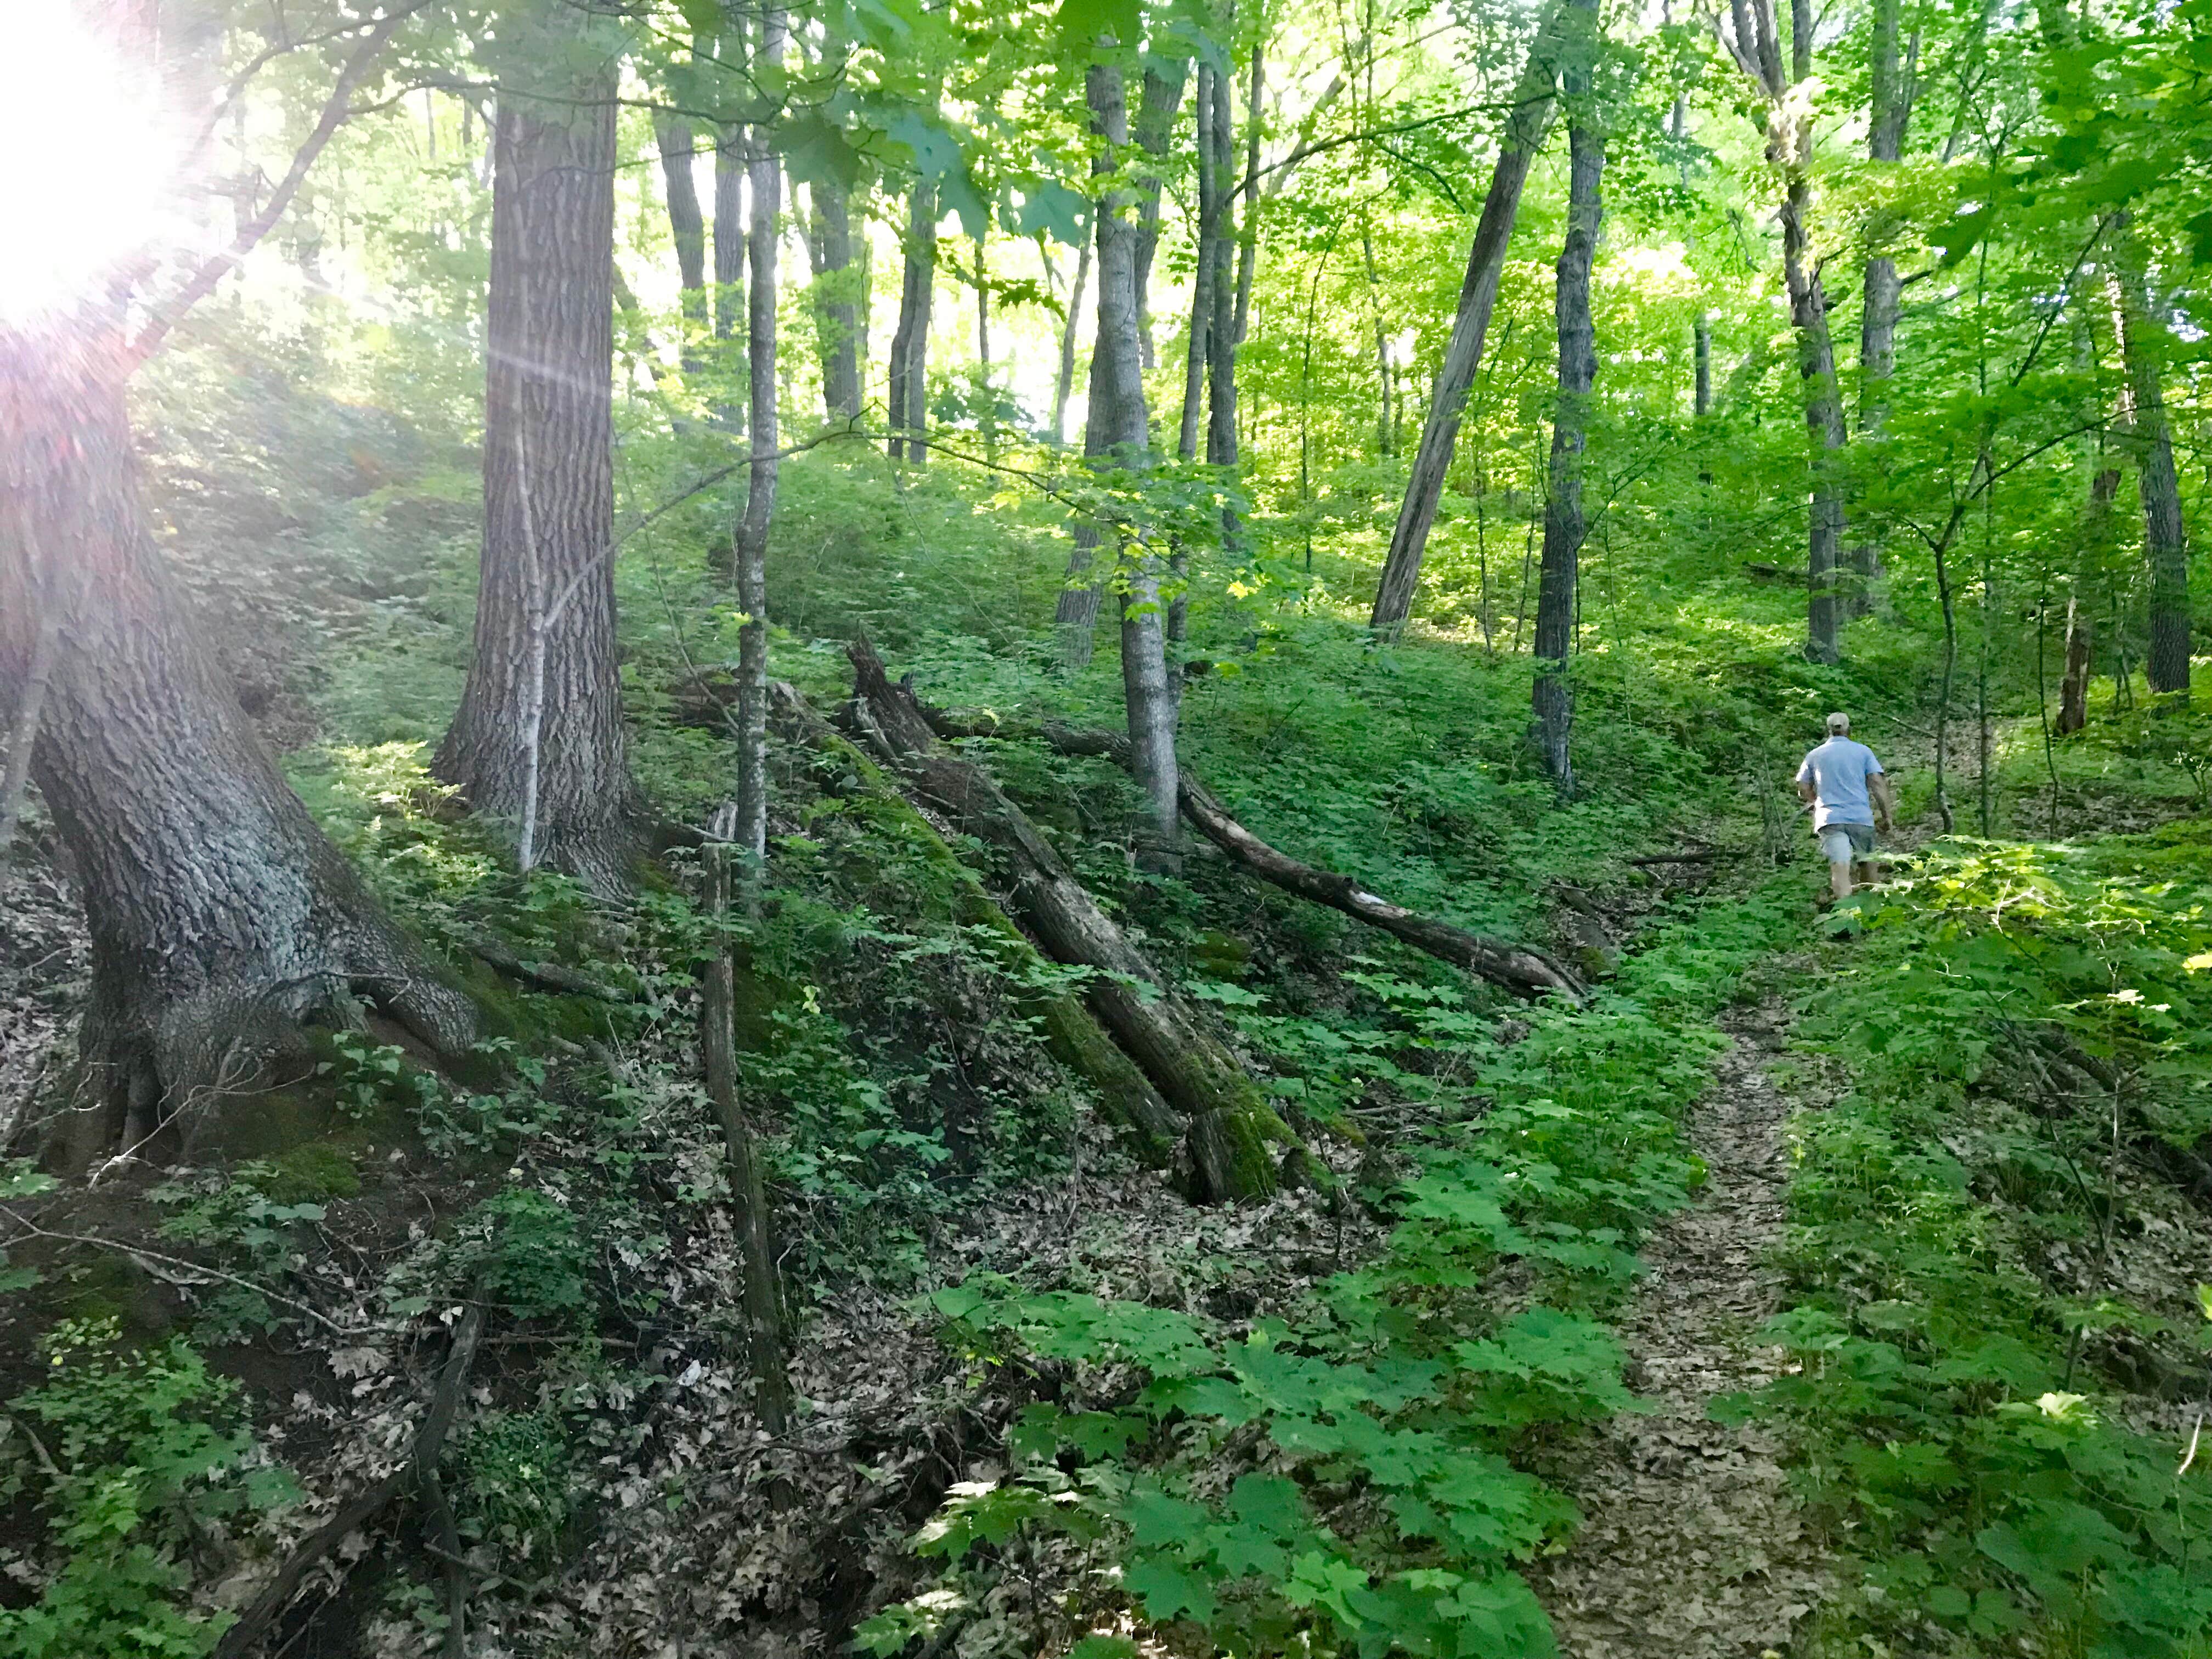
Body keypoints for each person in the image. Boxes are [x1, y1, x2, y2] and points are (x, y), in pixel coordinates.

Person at [1796, 712, 1894, 905]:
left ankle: (1846, 916)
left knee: (1840, 867)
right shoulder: (1863, 752)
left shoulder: (1815, 755)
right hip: (1860, 818)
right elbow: (1877, 783)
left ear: (1829, 730)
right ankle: (1872, 912)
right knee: (1868, 863)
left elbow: (1802, 786)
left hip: (1830, 819)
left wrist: (1816, 803)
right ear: (1849, 729)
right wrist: (1887, 816)